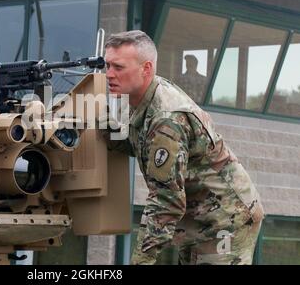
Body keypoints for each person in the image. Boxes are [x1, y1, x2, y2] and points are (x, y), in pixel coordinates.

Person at [103, 30, 264, 265]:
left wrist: (141, 260)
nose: (109, 75)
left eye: (118, 67)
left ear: (145, 69)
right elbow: (137, 142)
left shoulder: (166, 118)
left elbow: (166, 201)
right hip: (197, 218)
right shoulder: (142, 101)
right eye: (107, 65)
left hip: (225, 219)